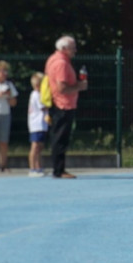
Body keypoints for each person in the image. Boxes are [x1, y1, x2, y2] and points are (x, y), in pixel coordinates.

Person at [44, 35, 88, 179]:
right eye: (72, 47)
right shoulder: (61, 63)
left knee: (59, 137)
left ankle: (59, 169)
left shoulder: (53, 59)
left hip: (60, 104)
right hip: (63, 105)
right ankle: (59, 170)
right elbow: (62, 88)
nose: (75, 50)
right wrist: (79, 86)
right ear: (63, 49)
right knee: (60, 138)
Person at [27, 72, 48, 177]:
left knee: (40, 147)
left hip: (42, 124)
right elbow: (43, 107)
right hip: (36, 124)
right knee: (35, 147)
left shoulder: (40, 94)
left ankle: (38, 166)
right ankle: (32, 168)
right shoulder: (36, 94)